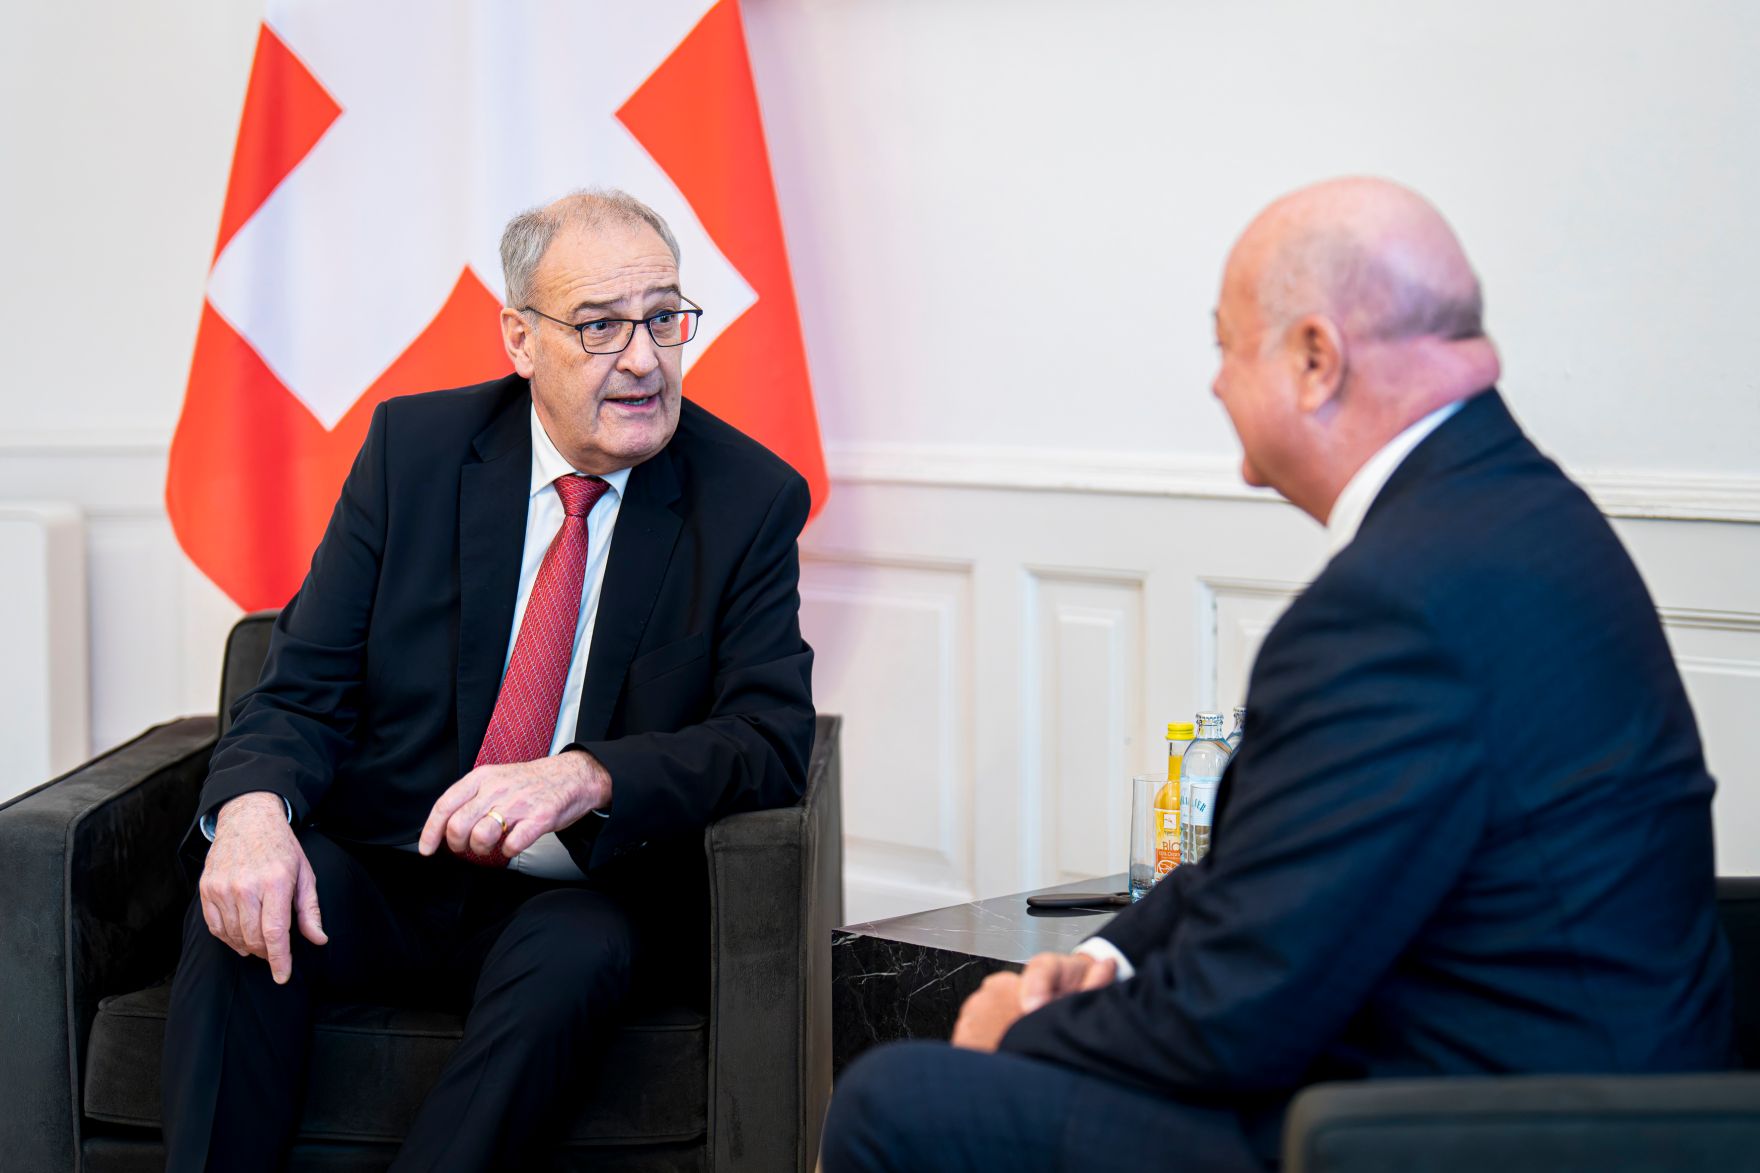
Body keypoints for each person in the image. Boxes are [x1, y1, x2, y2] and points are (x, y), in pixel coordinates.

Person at [820, 177, 1734, 1172]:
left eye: (1226, 345)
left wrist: (1020, 1030)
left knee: (896, 1101)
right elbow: (1287, 862)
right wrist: (1107, 957)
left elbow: (1232, 1017)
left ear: (1312, 359)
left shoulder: (1398, 600)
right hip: (1565, 1084)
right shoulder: (1517, 517)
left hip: (1486, 1132)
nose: (1215, 384)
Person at [160, 189, 816, 1171]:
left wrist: (587, 774)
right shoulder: (413, 454)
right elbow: (300, 687)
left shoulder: (748, 498)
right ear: (520, 339)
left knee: (578, 952)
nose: (644, 359)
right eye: (600, 325)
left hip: (574, 892)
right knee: (245, 906)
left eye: (662, 318)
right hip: (386, 862)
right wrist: (251, 814)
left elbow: (768, 738)